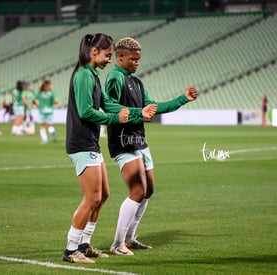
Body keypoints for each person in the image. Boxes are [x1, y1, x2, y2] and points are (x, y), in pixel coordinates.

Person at [62, 33, 157, 264]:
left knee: (103, 194)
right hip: (81, 142)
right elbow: (86, 112)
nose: (108, 60)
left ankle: (84, 244)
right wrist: (116, 119)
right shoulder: (84, 75)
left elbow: (109, 104)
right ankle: (71, 249)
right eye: (106, 55)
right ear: (93, 52)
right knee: (92, 197)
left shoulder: (92, 75)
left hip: (90, 142)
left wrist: (136, 113)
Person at [105, 37, 198, 256]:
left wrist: (182, 99)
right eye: (132, 59)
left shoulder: (136, 82)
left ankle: (129, 238)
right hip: (123, 141)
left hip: (140, 140)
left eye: (138, 59)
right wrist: (138, 113)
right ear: (120, 57)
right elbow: (110, 108)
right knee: (137, 191)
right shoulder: (115, 78)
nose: (137, 63)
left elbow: (154, 108)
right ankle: (117, 243)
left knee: (148, 190)